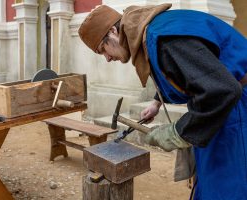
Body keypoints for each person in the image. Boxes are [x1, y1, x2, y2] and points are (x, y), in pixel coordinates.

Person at [78, 3, 247, 200]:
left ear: (114, 32)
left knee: (228, 186)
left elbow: (223, 91)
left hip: (236, 108)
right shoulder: (149, 29)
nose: (107, 58)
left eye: (103, 50)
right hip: (223, 103)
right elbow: (186, 70)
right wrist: (156, 102)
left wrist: (177, 132)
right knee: (211, 181)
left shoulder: (163, 38)